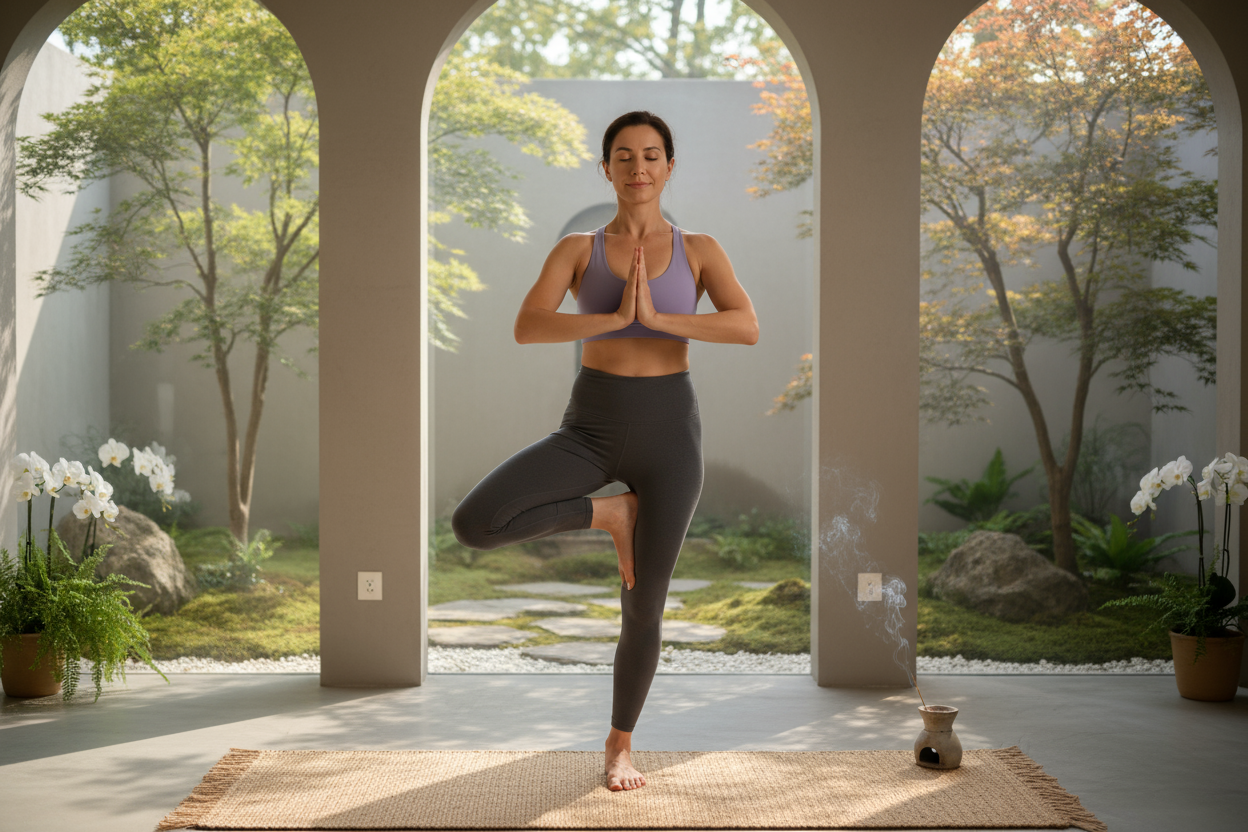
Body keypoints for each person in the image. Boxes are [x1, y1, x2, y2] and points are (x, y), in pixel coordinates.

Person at [452, 110, 759, 791]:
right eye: (624, 155)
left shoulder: (699, 248)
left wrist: (659, 319)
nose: (638, 167)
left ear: (669, 168)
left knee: (643, 605)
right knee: (476, 522)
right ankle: (609, 514)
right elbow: (529, 325)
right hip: (590, 427)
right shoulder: (578, 249)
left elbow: (746, 326)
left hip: (670, 434)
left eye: (651, 155)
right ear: (606, 168)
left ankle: (620, 746)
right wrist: (615, 318)